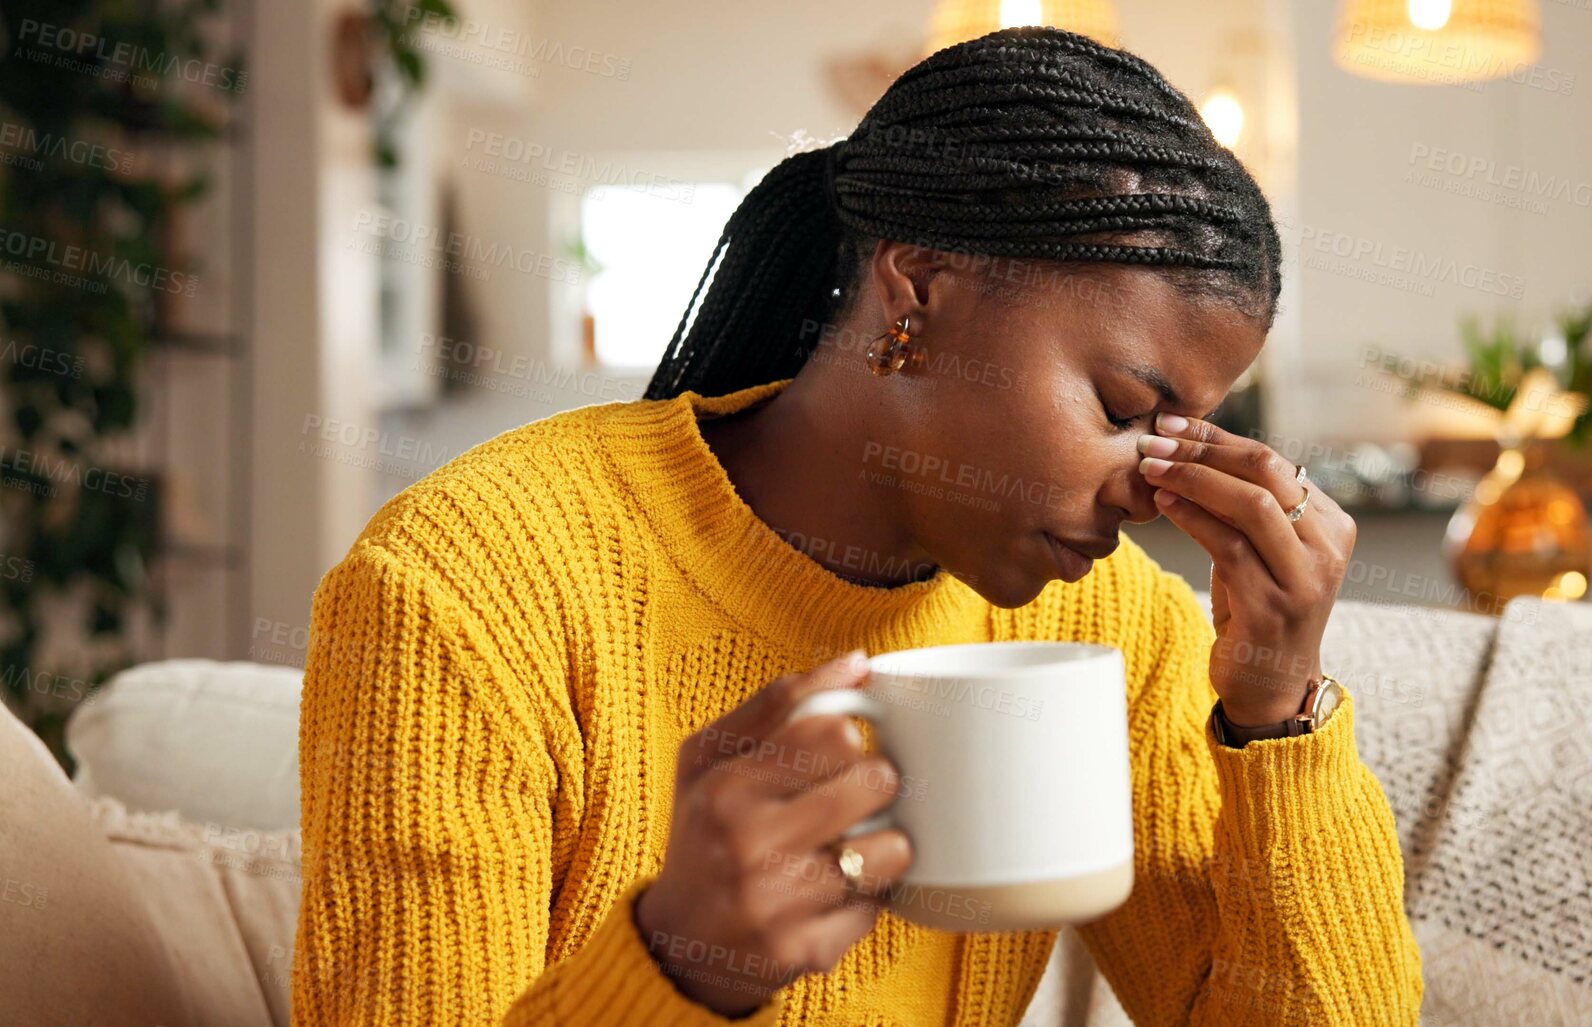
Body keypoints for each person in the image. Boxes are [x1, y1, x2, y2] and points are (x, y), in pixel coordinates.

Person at [292, 25, 1422, 1026]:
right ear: (919, 291)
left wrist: (1278, 713)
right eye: (1128, 411)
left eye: (1195, 432)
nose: (1154, 487)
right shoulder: (472, 584)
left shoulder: (1108, 631)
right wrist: (679, 968)